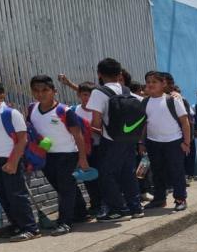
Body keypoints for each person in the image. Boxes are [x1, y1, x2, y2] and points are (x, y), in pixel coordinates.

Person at [27, 75, 91, 236]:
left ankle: (65, 222)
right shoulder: (32, 109)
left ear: (54, 91)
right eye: (36, 90)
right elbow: (30, 131)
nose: (40, 94)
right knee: (62, 186)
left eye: (45, 90)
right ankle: (81, 213)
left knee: (65, 189)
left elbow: (78, 136)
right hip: (45, 156)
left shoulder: (64, 111)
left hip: (67, 155)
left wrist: (82, 158)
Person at [86, 57, 144, 222]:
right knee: (128, 173)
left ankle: (118, 210)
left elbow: (96, 122)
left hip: (110, 140)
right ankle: (136, 207)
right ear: (119, 74)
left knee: (105, 174)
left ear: (99, 74)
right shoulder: (126, 91)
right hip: (129, 139)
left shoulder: (99, 92)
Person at [0, 79, 41, 241]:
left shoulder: (10, 114)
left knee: (17, 195)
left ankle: (30, 228)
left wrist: (13, 162)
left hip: (11, 159)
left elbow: (22, 140)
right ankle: (16, 225)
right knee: (3, 196)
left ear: (0, 96)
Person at [141, 71, 191, 212]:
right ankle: (159, 199)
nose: (150, 84)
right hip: (153, 142)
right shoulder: (145, 102)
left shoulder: (173, 100)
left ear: (163, 84)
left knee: (176, 172)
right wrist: (142, 143)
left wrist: (186, 143)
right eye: (148, 82)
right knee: (157, 173)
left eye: (154, 82)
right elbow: (144, 124)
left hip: (174, 142)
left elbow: (185, 122)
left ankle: (180, 199)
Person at [73, 81, 104, 215]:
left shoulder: (99, 111)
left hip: (98, 148)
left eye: (91, 95)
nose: (88, 98)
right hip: (82, 150)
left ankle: (104, 204)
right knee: (88, 178)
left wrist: (89, 128)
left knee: (102, 178)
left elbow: (106, 132)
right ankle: (95, 204)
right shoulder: (74, 111)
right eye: (85, 94)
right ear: (79, 95)